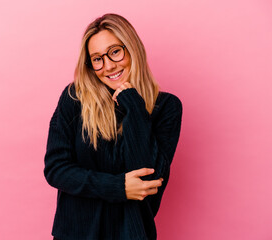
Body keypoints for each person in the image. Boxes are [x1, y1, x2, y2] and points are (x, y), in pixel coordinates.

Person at [44, 13, 182, 240]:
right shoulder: (74, 98)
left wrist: (134, 105)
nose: (108, 66)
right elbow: (56, 169)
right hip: (76, 234)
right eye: (97, 59)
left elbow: (148, 180)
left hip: (131, 233)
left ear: (132, 48)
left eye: (115, 52)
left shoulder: (167, 107)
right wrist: (118, 187)